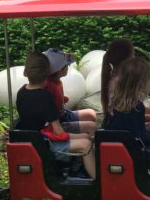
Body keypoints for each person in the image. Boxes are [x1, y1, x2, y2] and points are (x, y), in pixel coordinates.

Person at [15, 51, 96, 179]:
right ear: (47, 73)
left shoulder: (21, 92)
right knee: (86, 144)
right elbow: (59, 133)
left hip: (34, 140)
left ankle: (78, 169)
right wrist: (82, 136)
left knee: (85, 138)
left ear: (26, 72)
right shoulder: (45, 97)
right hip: (44, 145)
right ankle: (97, 182)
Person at [103, 57, 150, 182]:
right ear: (142, 83)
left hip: (117, 145)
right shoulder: (137, 107)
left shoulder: (115, 102)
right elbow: (140, 138)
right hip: (132, 150)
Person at [43, 48, 96, 136]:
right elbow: (50, 111)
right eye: (67, 65)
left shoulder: (56, 81)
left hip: (63, 114)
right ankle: (87, 141)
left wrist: (62, 99)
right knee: (91, 127)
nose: (68, 67)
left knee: (91, 113)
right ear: (60, 69)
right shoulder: (49, 85)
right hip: (56, 123)